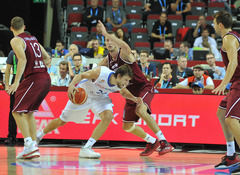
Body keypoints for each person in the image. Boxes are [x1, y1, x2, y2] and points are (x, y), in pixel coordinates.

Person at [97, 20, 174, 156]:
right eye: (106, 40)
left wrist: (105, 32)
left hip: (143, 87)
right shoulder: (106, 61)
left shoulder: (124, 53)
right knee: (126, 126)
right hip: (130, 93)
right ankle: (151, 141)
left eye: (111, 39)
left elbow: (126, 45)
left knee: (141, 110)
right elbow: (97, 74)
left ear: (116, 41)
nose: (109, 42)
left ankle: (164, 142)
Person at [37, 65, 142, 158]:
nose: (127, 83)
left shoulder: (121, 84)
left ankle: (87, 148)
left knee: (108, 116)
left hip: (100, 98)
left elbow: (123, 93)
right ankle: (38, 137)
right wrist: (72, 85)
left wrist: (134, 98)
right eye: (126, 80)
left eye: (128, 81)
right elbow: (81, 76)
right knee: (62, 120)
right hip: (83, 93)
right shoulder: (101, 73)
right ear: (119, 76)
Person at [7, 16, 51, 159]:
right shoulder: (33, 38)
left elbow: (23, 60)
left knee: (16, 111)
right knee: (29, 112)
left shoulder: (15, 40)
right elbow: (47, 58)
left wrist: (16, 82)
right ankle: (33, 147)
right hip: (45, 78)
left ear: (11, 28)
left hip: (34, 78)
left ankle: (28, 145)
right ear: (24, 27)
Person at [211, 11, 240, 173]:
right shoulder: (234, 36)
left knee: (231, 120)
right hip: (236, 82)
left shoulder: (228, 38)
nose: (214, 26)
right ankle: (231, 156)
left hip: (239, 83)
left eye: (215, 23)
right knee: (221, 114)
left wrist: (223, 83)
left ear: (220, 25)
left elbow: (234, 63)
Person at [4, 50, 24, 145]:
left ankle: (29, 138)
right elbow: (8, 69)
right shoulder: (12, 53)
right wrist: (7, 85)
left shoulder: (30, 52)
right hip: (16, 80)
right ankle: (11, 136)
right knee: (13, 110)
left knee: (27, 111)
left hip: (28, 80)